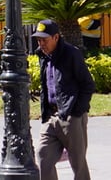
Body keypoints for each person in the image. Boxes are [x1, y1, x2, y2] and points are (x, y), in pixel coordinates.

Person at [33, 19, 95, 180]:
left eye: (44, 40)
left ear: (56, 37)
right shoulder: (43, 56)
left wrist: (77, 111)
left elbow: (87, 84)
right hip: (51, 117)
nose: (41, 44)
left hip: (71, 117)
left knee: (78, 163)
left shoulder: (71, 54)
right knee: (42, 154)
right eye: (39, 40)